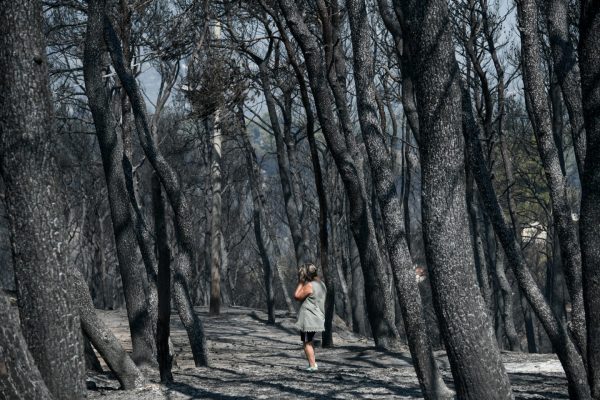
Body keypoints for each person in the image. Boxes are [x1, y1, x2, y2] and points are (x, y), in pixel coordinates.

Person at [294, 263, 327, 372]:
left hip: (309, 317)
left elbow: (297, 296)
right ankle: (313, 364)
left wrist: (301, 282)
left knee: (307, 342)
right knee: (310, 341)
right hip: (318, 316)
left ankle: (312, 366)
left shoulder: (310, 285)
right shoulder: (322, 284)